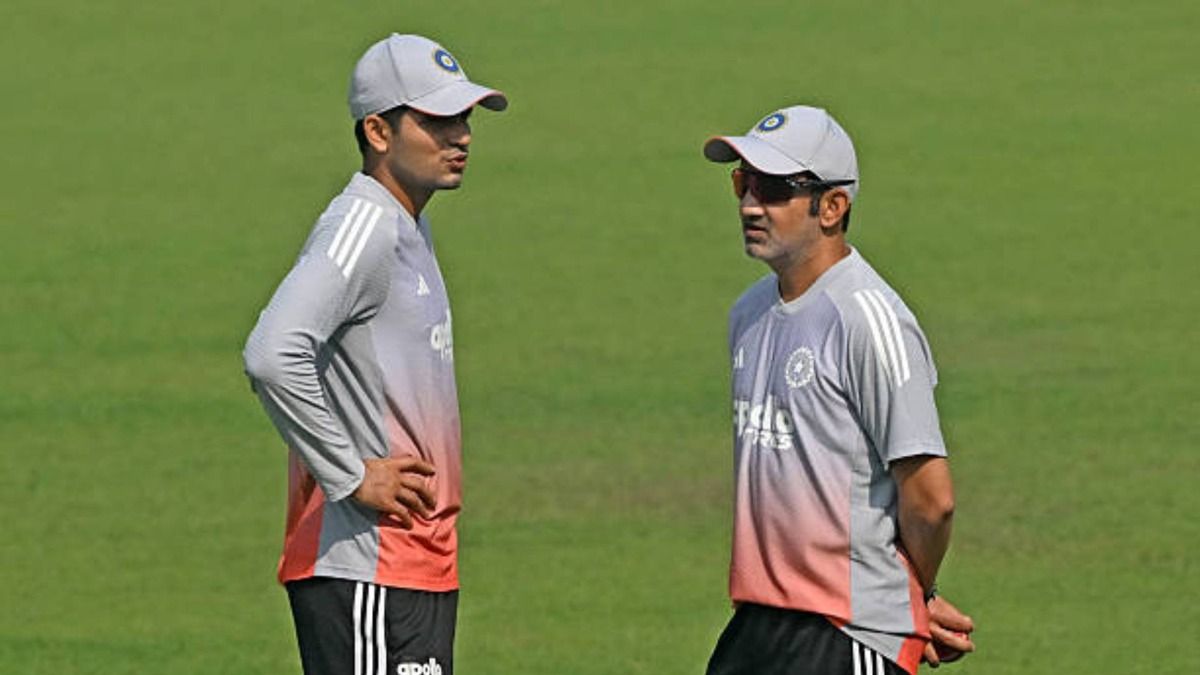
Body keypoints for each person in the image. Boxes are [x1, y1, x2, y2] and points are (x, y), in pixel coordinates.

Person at [242, 33, 506, 675]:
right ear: (378, 132)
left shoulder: (408, 224)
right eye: (438, 120)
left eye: (464, 117)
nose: (461, 135)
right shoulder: (363, 226)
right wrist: (350, 474)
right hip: (366, 564)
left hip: (414, 562)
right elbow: (273, 353)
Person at [700, 105, 975, 675]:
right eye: (743, 183)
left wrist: (911, 600)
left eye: (774, 187)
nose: (751, 204)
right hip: (758, 622)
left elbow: (931, 497)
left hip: (845, 635)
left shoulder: (870, 320)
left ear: (832, 206)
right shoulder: (748, 314)